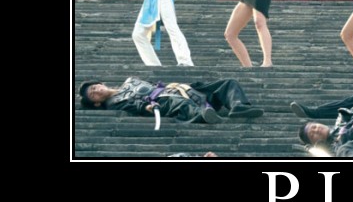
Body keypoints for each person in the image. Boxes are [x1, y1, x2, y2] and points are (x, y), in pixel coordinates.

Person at [78, 77, 263, 123]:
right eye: (93, 95)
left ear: (100, 83)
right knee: (179, 103)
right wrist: (146, 107)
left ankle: (238, 106)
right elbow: (132, 105)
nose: (97, 91)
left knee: (226, 83)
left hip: (176, 89)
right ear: (96, 103)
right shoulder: (113, 103)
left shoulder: (129, 81)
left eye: (94, 87)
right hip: (160, 101)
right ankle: (203, 115)